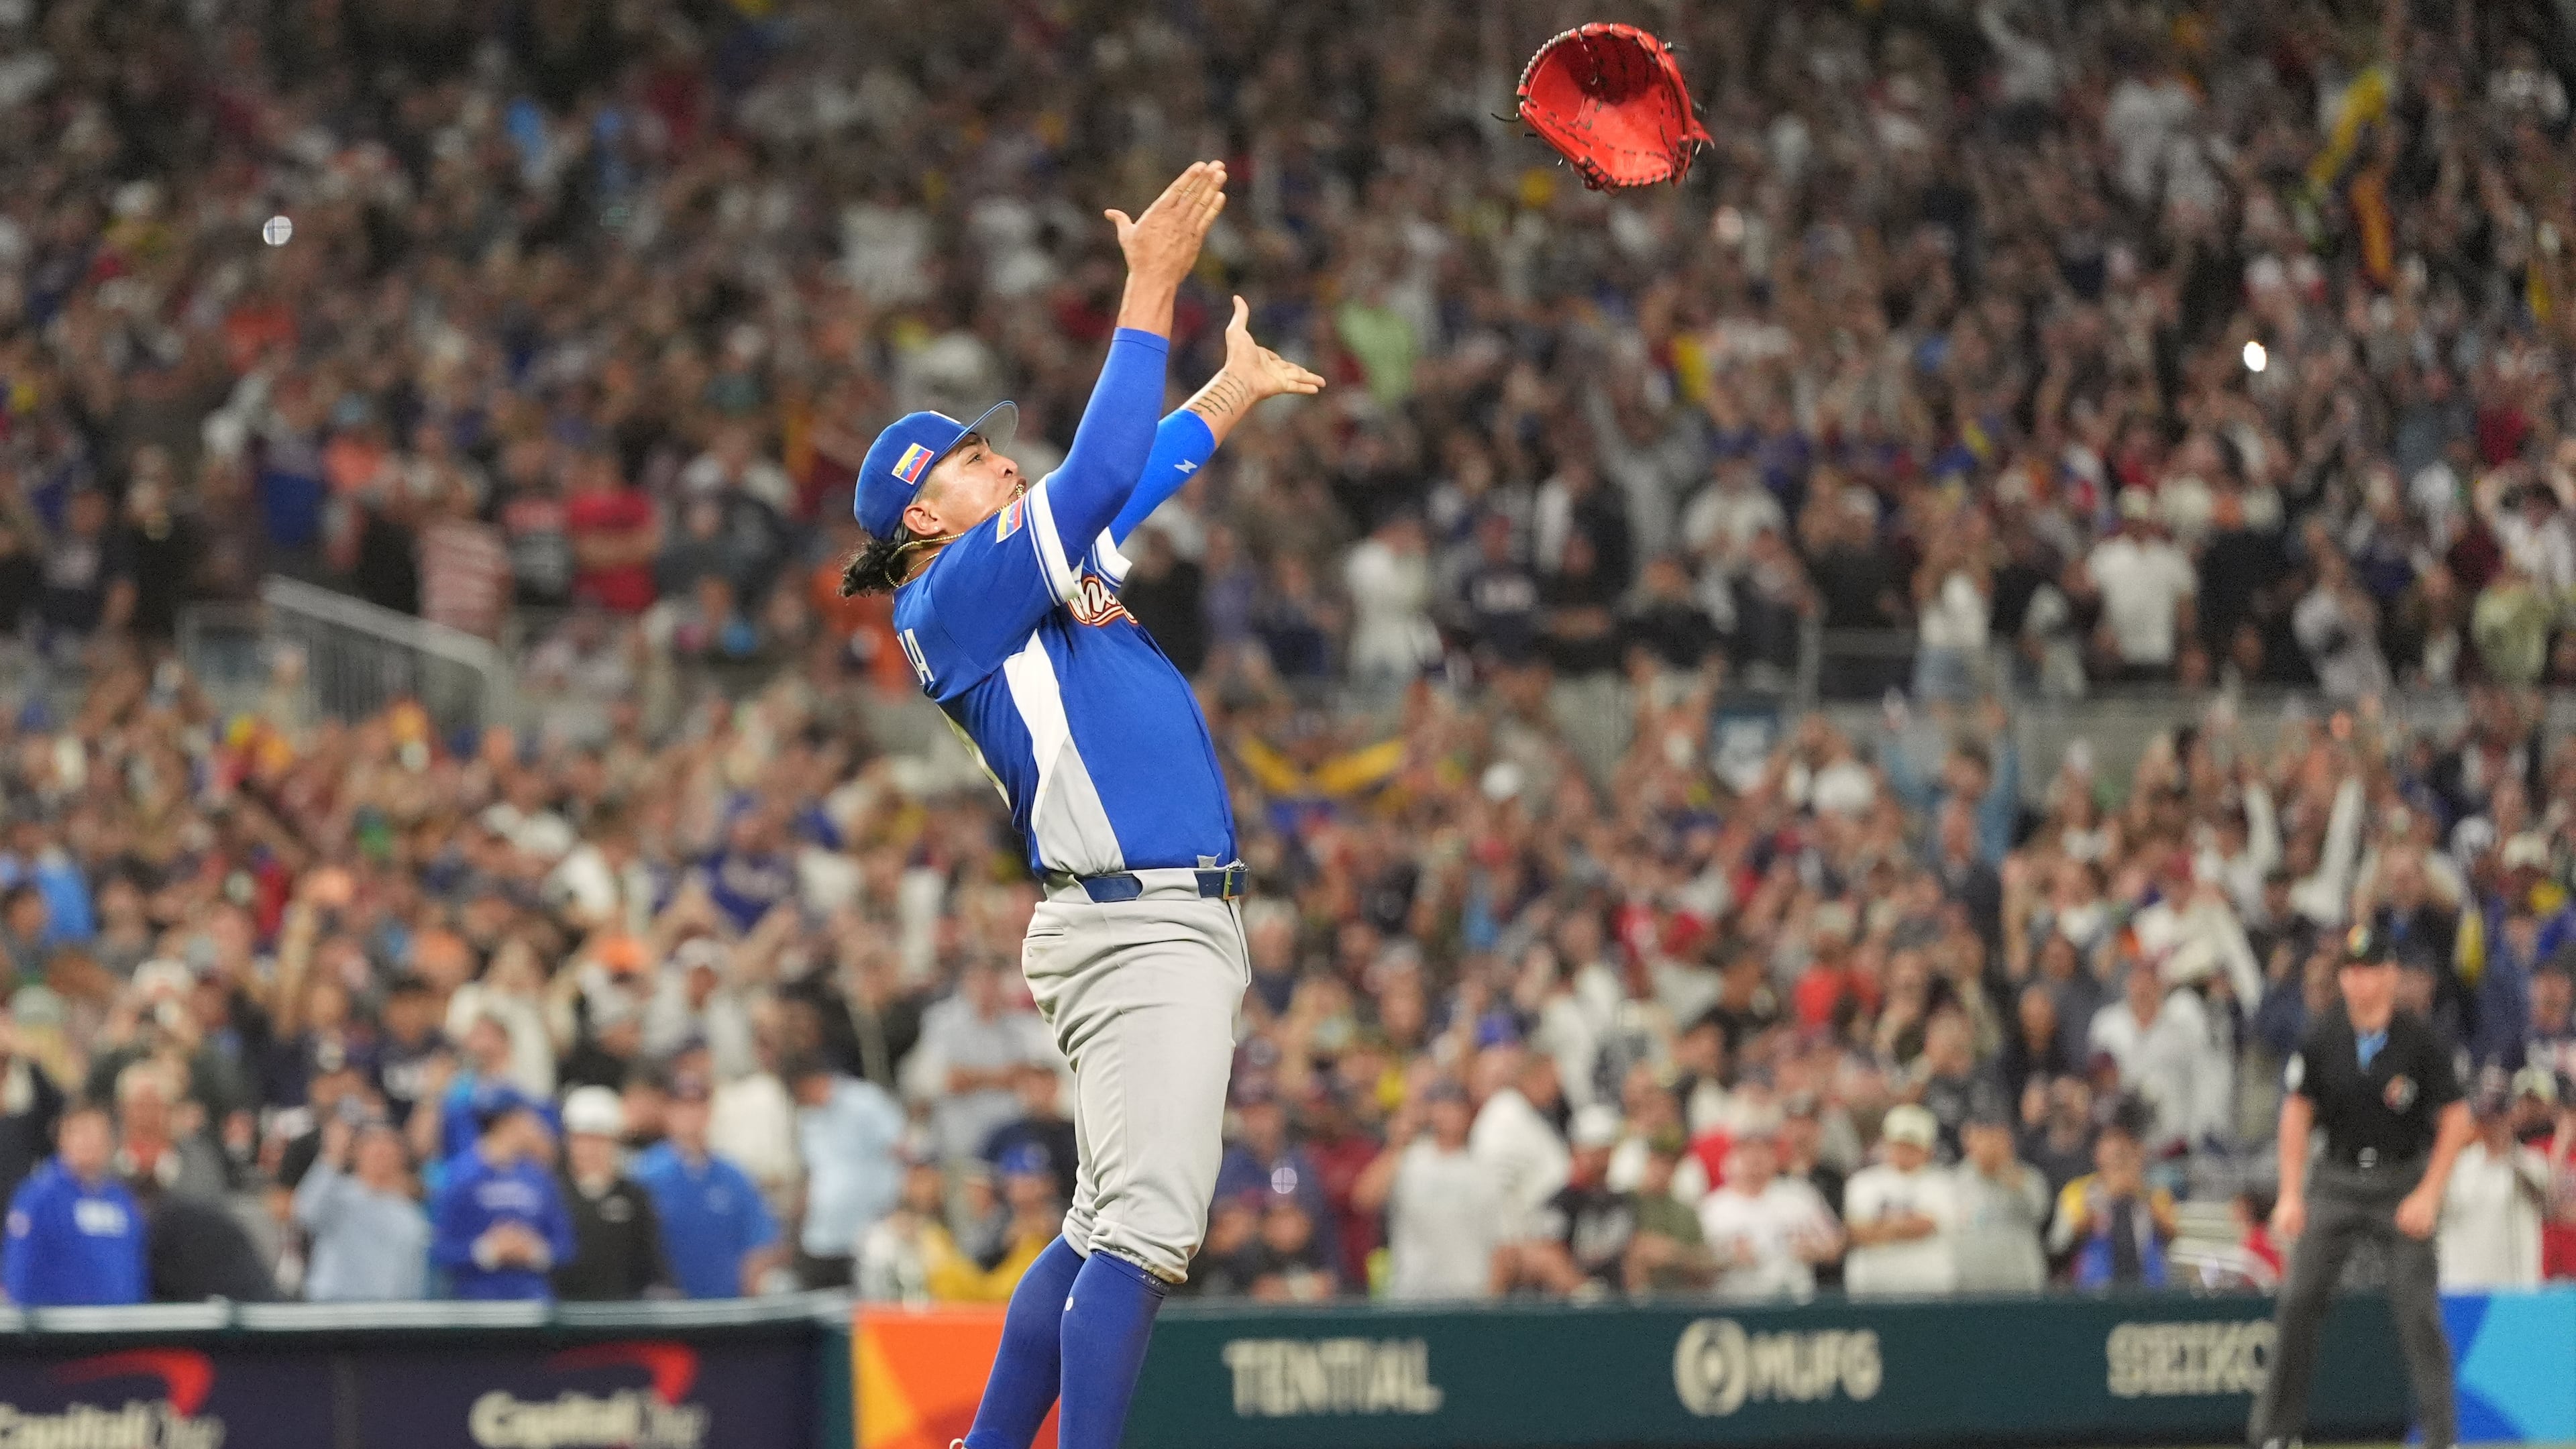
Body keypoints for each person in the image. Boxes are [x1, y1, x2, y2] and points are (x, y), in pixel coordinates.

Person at [839, 160, 1320, 1449]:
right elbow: (1105, 460)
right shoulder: (953, 595)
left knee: (1105, 1227)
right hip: (1134, 925)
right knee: (1148, 1240)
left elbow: (1139, 470)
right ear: (918, 521)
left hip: (1151, 921)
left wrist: (1228, 389)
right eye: (971, 461)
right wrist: (1150, 287)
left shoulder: (1017, 580)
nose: (997, 464)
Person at [2251, 927, 2473, 1449]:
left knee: (2418, 1311)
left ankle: (2443, 1438)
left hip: (2401, 1180)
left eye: (2372, 971)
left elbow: (2457, 1117)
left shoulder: (2420, 1040)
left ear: (2392, 976)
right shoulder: (2322, 1036)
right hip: (2338, 1180)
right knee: (2299, 1299)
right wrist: (2290, 1192)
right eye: (2351, 972)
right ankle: (2276, 1434)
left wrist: (2430, 1192)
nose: (2361, 982)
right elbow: (2297, 1111)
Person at [633, 1073, 784, 1299]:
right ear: (668, 1112)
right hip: (667, 1311)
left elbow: (759, 1240)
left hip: (725, 1308)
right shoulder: (645, 1174)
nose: (691, 1116)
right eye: (682, 1107)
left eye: (698, 1107)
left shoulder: (733, 1177)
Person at [1351, 1079, 1504, 1301]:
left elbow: (1498, 1244)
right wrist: (1397, 1145)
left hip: (1468, 1294)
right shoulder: (1408, 1158)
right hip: (1412, 1293)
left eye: (1455, 1107)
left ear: (1468, 1114)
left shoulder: (1483, 1170)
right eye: (1441, 1106)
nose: (1448, 1114)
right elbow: (1364, 1200)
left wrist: (1490, 1302)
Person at [430, 1097, 576, 1301]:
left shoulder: (539, 1179)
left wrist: (533, 1250)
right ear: (507, 1122)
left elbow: (565, 1246)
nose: (537, 1127)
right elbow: (440, 1250)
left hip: (533, 1302)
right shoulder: (459, 1177)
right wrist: (488, 1250)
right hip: (475, 1304)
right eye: (528, 1119)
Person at [2, 1102, 146, 1305]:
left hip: (118, 1328)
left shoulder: (122, 1200)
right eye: (79, 1132)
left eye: (97, 1134)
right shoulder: (39, 1196)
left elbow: (134, 1269)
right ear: (62, 1139)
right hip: (59, 1329)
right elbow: (19, 1269)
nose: (89, 1142)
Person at [786, 1055, 904, 1287]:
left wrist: (899, 1207)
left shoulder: (865, 1101)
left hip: (869, 1230)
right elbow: (816, 1170)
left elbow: (902, 1151)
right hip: (823, 1235)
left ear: (815, 1081)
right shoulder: (808, 1118)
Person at [293, 1112, 430, 1301]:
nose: (381, 1154)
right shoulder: (337, 1196)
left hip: (385, 1313)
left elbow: (412, 1273)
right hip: (332, 1306)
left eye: (388, 1147)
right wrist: (332, 1157)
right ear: (358, 1152)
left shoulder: (410, 1213)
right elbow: (305, 1213)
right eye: (373, 1145)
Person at [1696, 1126, 1841, 1302]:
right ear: (1732, 1158)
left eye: (1763, 1152)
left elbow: (1836, 1244)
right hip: (1735, 1306)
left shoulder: (1800, 1196)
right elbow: (1695, 1265)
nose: (1755, 1159)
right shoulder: (1712, 1207)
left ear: (1775, 1157)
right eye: (1747, 1152)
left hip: (1795, 1304)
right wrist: (1726, 1259)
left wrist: (1814, 1250)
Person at [551, 1085, 669, 1301]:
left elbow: (652, 1264)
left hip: (621, 1320)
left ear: (615, 1141)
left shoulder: (635, 1197)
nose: (589, 1149)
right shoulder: (552, 1195)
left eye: (598, 1139)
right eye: (581, 1139)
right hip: (566, 1320)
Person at [2436, 1080, 2549, 1289]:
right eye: (2487, 1116)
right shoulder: (2456, 1165)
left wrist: (2508, 1150)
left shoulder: (2531, 1162)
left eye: (2499, 1115)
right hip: (2463, 1288)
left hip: (2515, 1291)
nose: (2493, 1123)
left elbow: (2549, 1202)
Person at [1840, 1104, 1960, 1297]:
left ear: (1928, 1148)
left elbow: (1925, 1227)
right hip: (1872, 1291)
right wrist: (1905, 1225)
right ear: (1886, 1142)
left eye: (1913, 1144)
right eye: (1900, 1143)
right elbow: (1857, 1232)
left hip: (1928, 1292)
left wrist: (1881, 1228)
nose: (1905, 1150)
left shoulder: (1943, 1183)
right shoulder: (1862, 1182)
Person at [1951, 1110, 2049, 1293]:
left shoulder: (2030, 1178)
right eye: (1981, 1137)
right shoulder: (1954, 1181)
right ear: (1968, 1142)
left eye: (1996, 1138)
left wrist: (2008, 1174)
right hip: (1969, 1291)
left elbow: (2039, 1214)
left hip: (2021, 1288)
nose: (1989, 1145)